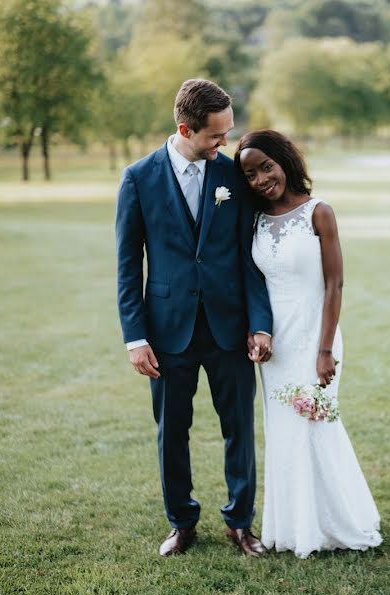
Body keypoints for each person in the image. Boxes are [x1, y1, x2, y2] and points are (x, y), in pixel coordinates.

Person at [115, 79, 273, 557]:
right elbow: (127, 266)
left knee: (239, 429)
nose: (224, 142)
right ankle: (182, 522)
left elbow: (251, 258)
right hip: (167, 333)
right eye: (216, 135)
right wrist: (134, 337)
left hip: (229, 328)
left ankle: (240, 523)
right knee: (171, 433)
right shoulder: (138, 178)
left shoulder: (233, 178)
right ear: (186, 128)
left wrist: (260, 323)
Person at [235, 129, 382, 558]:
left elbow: (335, 284)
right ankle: (294, 528)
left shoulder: (319, 212)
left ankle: (340, 523)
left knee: (317, 426)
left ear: (284, 161)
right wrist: (255, 333)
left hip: (316, 336)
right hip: (276, 346)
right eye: (250, 174)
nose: (262, 179)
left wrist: (324, 351)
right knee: (284, 434)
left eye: (266, 166)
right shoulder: (256, 220)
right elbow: (254, 285)